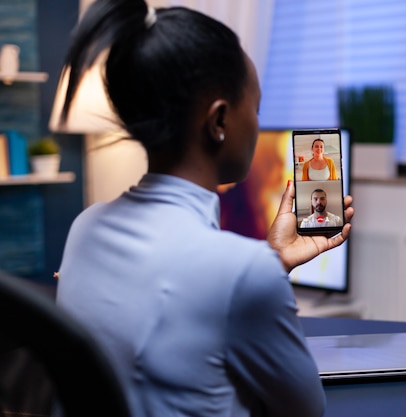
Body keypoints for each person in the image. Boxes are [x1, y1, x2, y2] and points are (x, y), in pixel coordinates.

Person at [53, 1, 354, 417]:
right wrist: (262, 269)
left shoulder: (85, 229)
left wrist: (272, 260)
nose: (259, 123)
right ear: (219, 121)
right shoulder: (242, 271)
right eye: (257, 106)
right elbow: (305, 410)